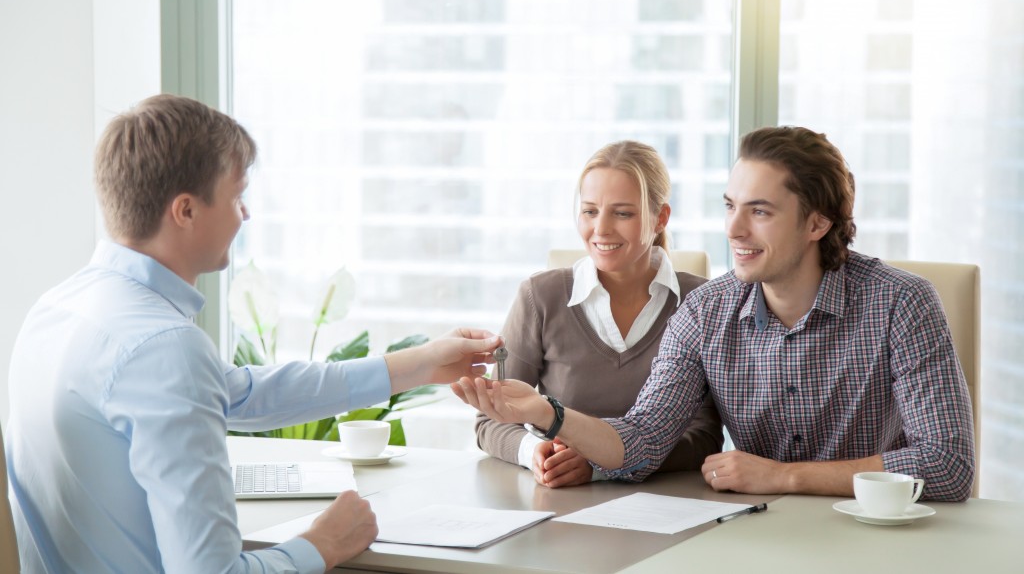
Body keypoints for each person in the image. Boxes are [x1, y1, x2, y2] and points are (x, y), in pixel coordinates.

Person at [5, 94, 501, 574]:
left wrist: (422, 364)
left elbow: (242, 394)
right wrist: (321, 545)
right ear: (186, 211)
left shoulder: (58, 308)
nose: (246, 214)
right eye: (237, 196)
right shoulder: (161, 348)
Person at [455, 126, 975, 502]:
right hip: (758, 537)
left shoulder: (901, 302)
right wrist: (546, 414)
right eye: (730, 206)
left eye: (760, 211)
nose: (733, 230)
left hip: (882, 538)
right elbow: (640, 443)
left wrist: (785, 476)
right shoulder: (705, 312)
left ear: (817, 223)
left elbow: (946, 464)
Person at [476, 141, 722, 488]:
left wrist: (599, 464)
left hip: (663, 507)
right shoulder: (540, 297)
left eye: (622, 213)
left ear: (660, 218)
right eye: (590, 211)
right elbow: (490, 421)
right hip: (556, 504)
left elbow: (705, 437)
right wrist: (537, 452)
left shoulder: (701, 303)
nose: (601, 229)